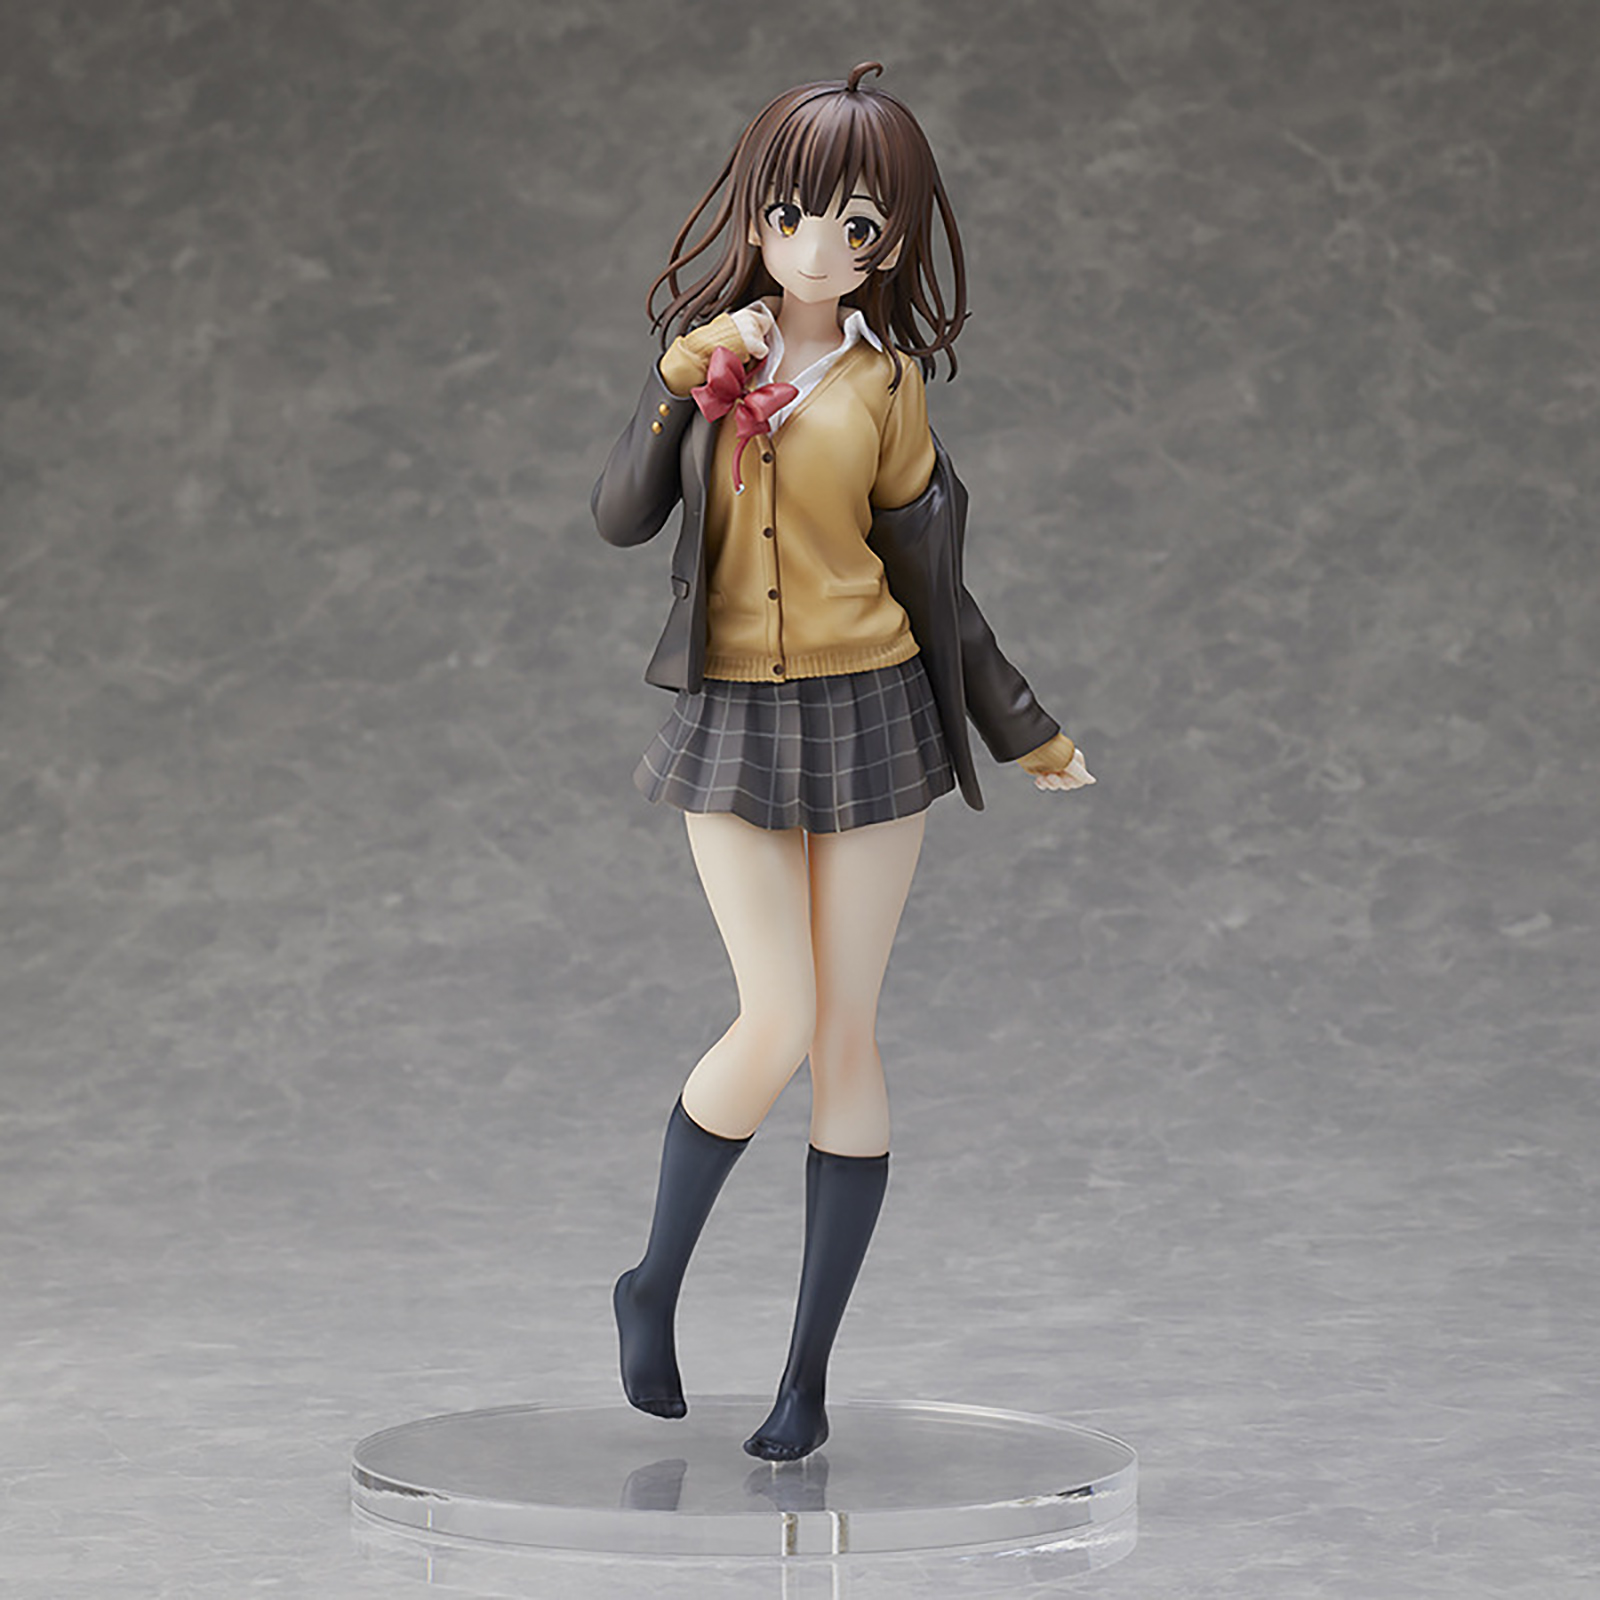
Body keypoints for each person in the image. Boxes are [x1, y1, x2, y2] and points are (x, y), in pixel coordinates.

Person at [590, 62, 1095, 1462]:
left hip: (874, 710)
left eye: (857, 227)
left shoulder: (887, 385)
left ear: (891, 242)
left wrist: (1022, 723)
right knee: (777, 1017)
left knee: (849, 1035)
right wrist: (675, 387)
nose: (819, 250)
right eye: (794, 216)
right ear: (757, 216)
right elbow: (619, 518)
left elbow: (933, 576)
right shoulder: (712, 360)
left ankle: (805, 1378)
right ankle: (650, 1283)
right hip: (735, 716)